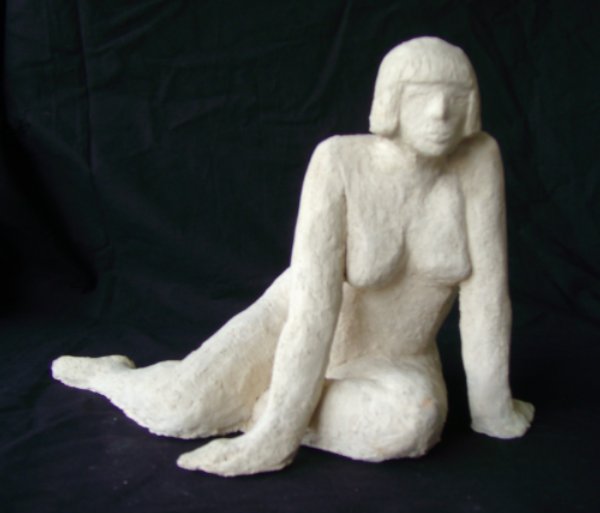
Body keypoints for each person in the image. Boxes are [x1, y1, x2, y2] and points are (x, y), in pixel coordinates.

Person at [52, 37, 534, 477]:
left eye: (456, 95)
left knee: (415, 421)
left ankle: (267, 409)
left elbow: (487, 299)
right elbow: (313, 309)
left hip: (394, 360)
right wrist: (274, 441)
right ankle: (111, 376)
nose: (440, 112)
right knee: (178, 408)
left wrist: (493, 410)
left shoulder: (477, 160)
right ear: (391, 99)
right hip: (290, 324)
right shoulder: (339, 161)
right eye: (420, 94)